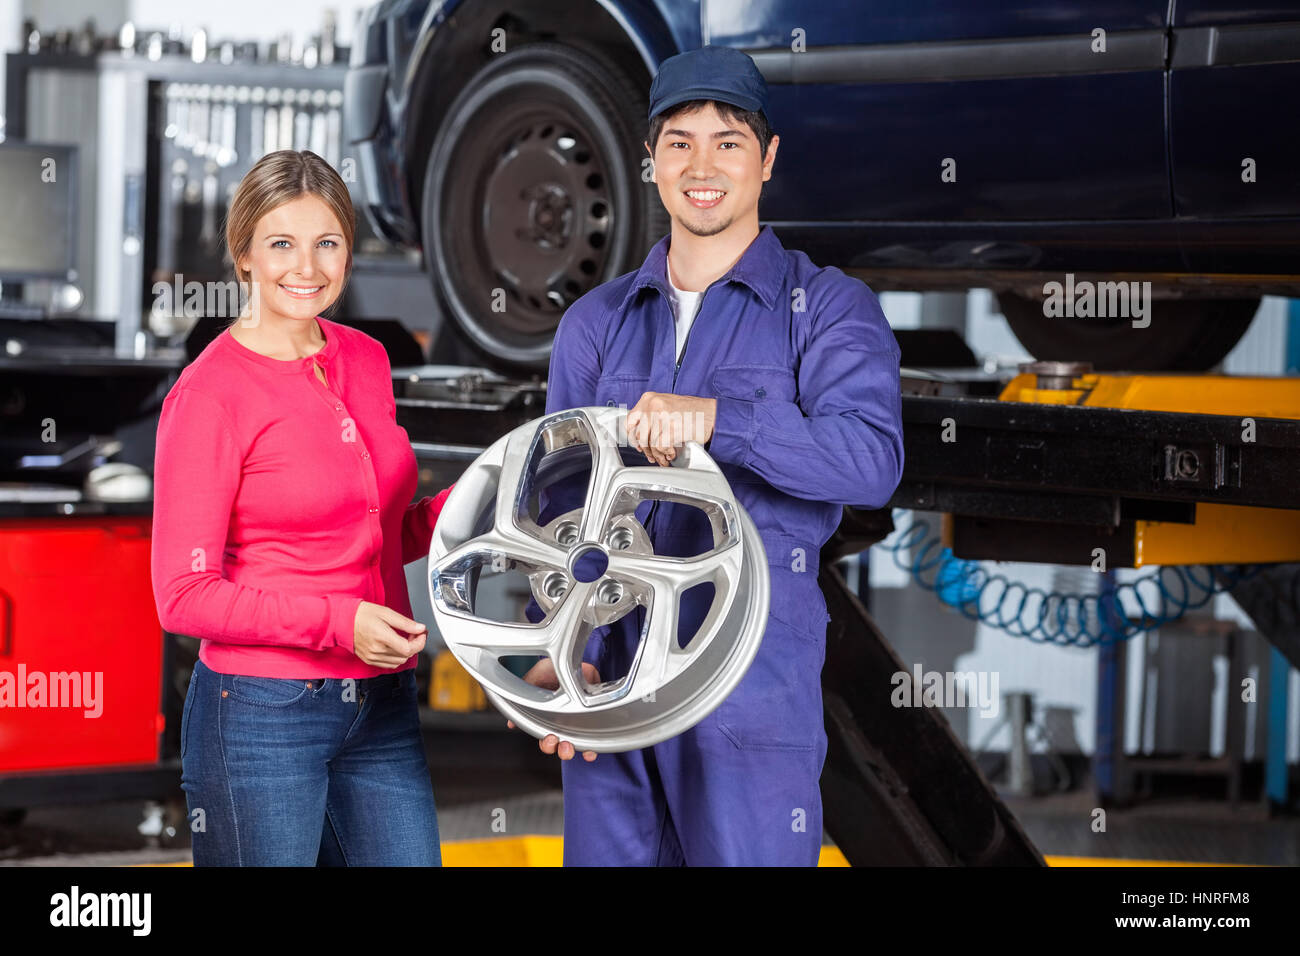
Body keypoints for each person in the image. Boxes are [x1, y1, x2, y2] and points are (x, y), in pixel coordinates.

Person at [519, 46, 905, 865]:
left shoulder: (827, 308)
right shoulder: (595, 322)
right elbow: (554, 509)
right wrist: (563, 656)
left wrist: (721, 422)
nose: (703, 165)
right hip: (615, 690)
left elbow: (871, 459)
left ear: (767, 160)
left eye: (728, 142)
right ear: (651, 161)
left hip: (749, 695)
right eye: (680, 141)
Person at [151, 149, 452, 866]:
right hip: (261, 716)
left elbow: (374, 531)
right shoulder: (209, 395)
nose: (307, 267)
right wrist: (338, 622)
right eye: (281, 243)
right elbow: (183, 596)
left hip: (380, 706)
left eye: (328, 243)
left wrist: (466, 509)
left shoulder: (367, 357)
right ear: (244, 253)